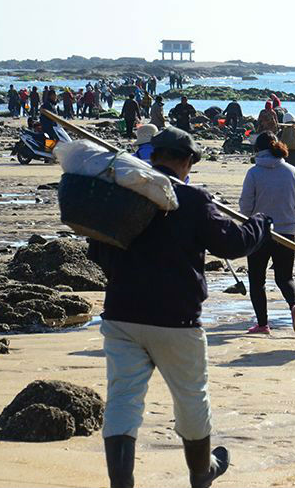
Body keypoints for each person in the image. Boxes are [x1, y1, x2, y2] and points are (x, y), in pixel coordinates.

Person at [88, 126, 271, 488]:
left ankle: (120, 484)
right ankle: (201, 474)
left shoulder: (125, 194)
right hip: (176, 318)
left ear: (153, 156)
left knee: (123, 399)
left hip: (122, 313)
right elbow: (233, 243)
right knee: (191, 399)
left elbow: (98, 249)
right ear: (187, 162)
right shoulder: (190, 198)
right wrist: (260, 224)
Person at [239, 132, 295, 335]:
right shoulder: (292, 171)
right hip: (286, 232)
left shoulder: (253, 173)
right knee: (285, 277)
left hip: (259, 232)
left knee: (257, 280)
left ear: (258, 150)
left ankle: (262, 324)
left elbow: (245, 206)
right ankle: (294, 305)